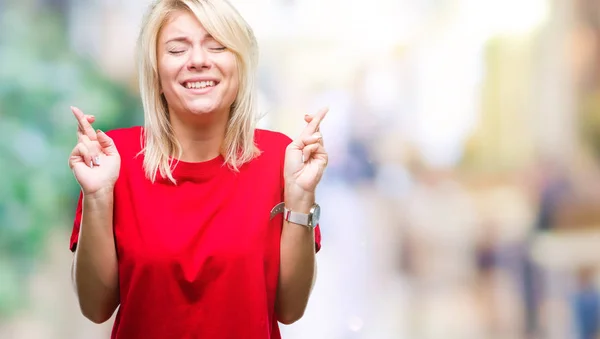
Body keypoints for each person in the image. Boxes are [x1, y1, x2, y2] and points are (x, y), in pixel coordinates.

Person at [67, 0, 327, 338]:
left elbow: (290, 310)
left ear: (241, 66)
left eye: (217, 46)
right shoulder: (114, 159)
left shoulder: (280, 157)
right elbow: (95, 307)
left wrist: (301, 196)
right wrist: (98, 196)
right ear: (156, 73)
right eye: (177, 49)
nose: (199, 61)